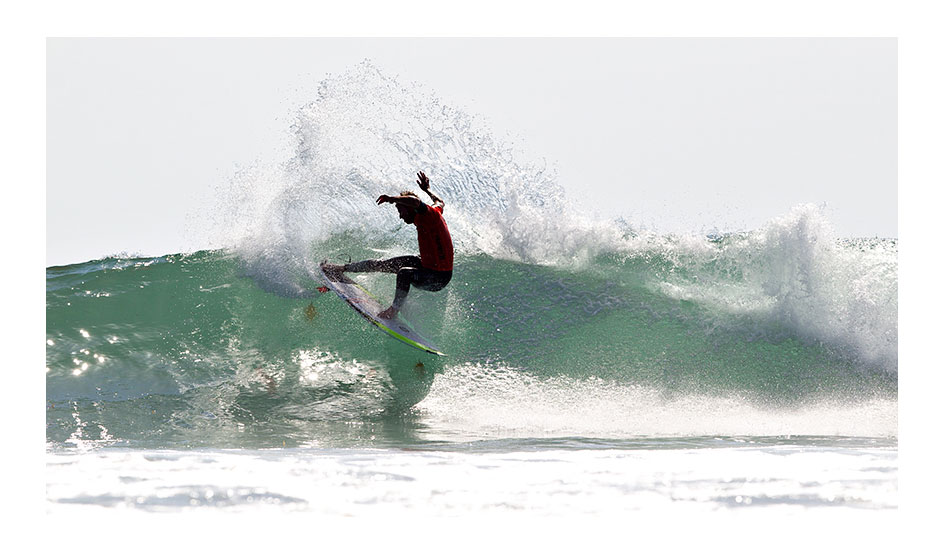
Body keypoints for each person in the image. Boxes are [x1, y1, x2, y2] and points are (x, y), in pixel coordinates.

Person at [327, 171, 453, 320]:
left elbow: (415, 202)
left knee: (404, 273)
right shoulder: (434, 211)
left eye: (401, 210)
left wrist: (391, 198)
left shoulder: (429, 215)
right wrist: (427, 190)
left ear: (410, 208)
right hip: (426, 267)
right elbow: (440, 202)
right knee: (382, 264)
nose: (400, 216)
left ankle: (393, 311)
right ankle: (341, 269)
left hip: (438, 278)